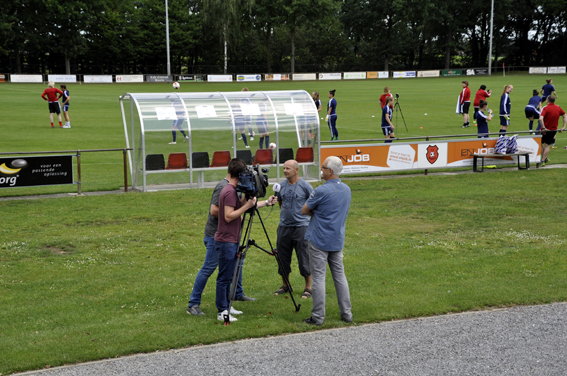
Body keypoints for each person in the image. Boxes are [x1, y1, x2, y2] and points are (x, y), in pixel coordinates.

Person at [186, 171, 265, 316]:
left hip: (230, 236)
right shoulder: (223, 187)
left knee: (232, 268)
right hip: (216, 236)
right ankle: (194, 304)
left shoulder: (236, 188)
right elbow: (214, 210)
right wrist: (235, 214)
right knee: (210, 269)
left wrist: (262, 202)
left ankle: (233, 298)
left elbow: (239, 207)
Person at [214, 159, 276, 322]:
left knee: (228, 276)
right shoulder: (229, 191)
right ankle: (222, 311)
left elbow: (238, 207)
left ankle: (227, 306)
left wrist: (250, 202)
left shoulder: (232, 190)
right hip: (226, 240)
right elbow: (228, 216)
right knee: (224, 277)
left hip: (231, 239)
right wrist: (246, 206)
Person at [301, 156, 352, 326]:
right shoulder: (346, 189)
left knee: (319, 278)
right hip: (336, 239)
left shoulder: (321, 190)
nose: (321, 170)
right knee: (340, 277)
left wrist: (317, 213)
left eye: (323, 168)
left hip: (319, 239)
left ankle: (318, 316)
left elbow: (304, 210)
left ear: (330, 171)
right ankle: (347, 313)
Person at [272, 159, 314, 299]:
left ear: (296, 170)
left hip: (301, 227)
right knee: (283, 258)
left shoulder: (305, 186)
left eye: (288, 168)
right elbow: (280, 203)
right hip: (284, 227)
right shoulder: (281, 186)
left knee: (304, 257)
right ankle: (285, 285)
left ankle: (308, 287)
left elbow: (313, 204)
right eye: (284, 168)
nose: (285, 171)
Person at [538, 96, 566, 167]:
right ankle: (544, 159)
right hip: (553, 130)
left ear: (547, 100)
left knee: (540, 143)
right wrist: (564, 126)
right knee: (547, 145)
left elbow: (541, 119)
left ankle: (543, 159)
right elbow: (565, 115)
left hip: (545, 129)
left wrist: (544, 127)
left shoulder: (545, 108)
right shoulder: (558, 107)